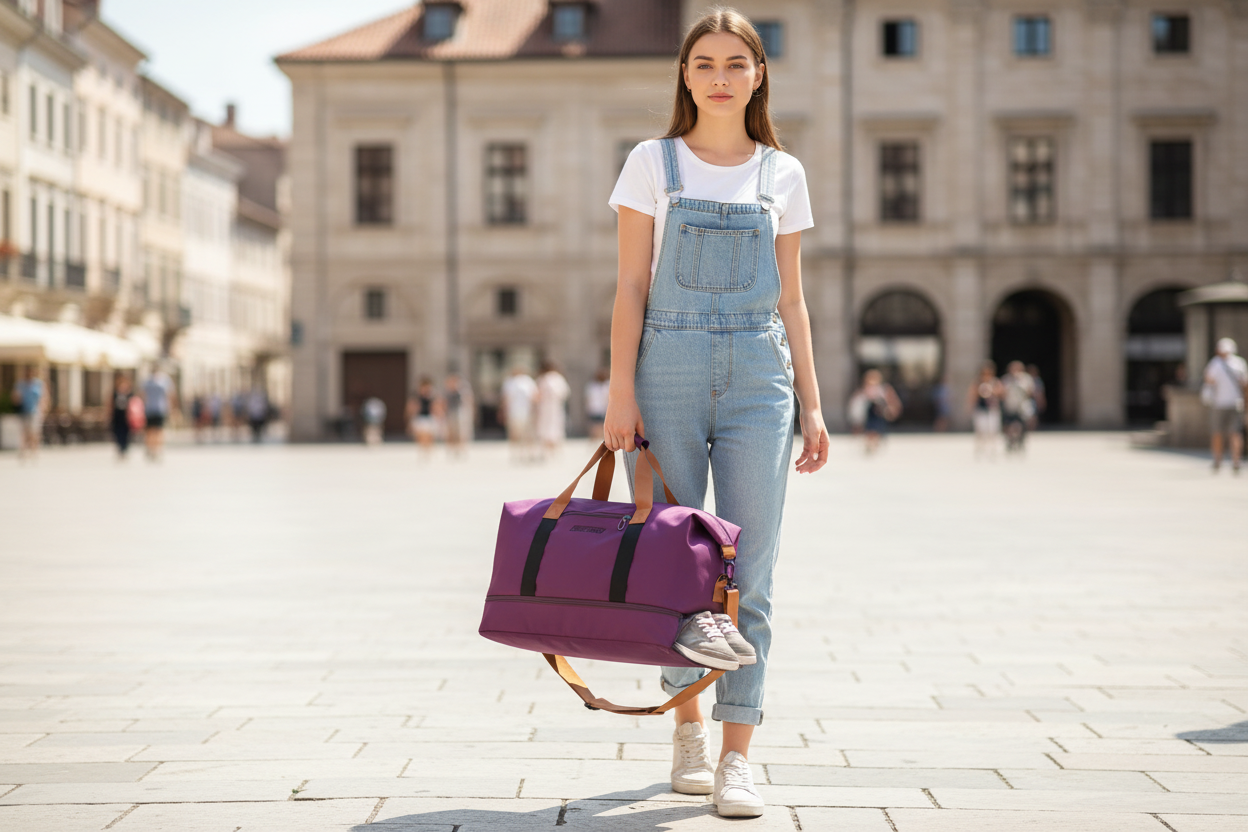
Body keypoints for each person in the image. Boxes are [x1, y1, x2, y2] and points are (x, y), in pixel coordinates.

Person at [604, 10, 827, 818]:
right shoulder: (651, 163)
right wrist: (619, 390)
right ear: (686, 76)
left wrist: (813, 404)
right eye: (705, 63)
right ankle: (688, 730)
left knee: (749, 574)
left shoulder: (783, 173)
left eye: (737, 63)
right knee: (676, 565)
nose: (721, 77)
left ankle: (738, 756)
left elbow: (793, 300)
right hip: (664, 368)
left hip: (761, 378)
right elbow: (631, 285)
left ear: (759, 75)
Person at [1203, 337, 1247, 473]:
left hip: (1219, 403)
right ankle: (1236, 461)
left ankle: (1218, 460)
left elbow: (1208, 380)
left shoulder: (1215, 363)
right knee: (1235, 433)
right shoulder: (1240, 363)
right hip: (1236, 402)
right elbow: (1245, 385)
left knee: (1218, 433)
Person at [854, 369, 901, 455]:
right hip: (870, 412)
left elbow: (891, 400)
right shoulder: (865, 389)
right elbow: (858, 402)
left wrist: (891, 409)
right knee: (870, 429)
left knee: (877, 428)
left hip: (878, 413)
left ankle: (874, 443)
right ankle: (870, 443)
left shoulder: (882, 389)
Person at [500, 367, 537, 463]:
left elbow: (534, 396)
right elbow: (506, 399)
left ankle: (527, 453)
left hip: (525, 412)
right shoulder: (510, 382)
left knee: (526, 435)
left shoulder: (527, 381)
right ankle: (517, 453)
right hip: (516, 412)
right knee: (516, 434)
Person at [11, 366, 48, 461]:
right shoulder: (20, 384)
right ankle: (23, 451)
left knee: (34, 432)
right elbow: (15, 398)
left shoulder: (38, 384)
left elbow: (44, 397)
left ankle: (34, 450)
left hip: (35, 411)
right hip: (23, 411)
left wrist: (43, 410)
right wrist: (17, 399)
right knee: (24, 432)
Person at [535, 361, 571, 458]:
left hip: (546, 408)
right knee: (555, 426)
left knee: (546, 427)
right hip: (555, 407)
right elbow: (565, 393)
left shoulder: (543, 379)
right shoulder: (558, 378)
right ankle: (554, 450)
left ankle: (547, 450)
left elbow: (538, 394)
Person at [968, 361, 1003, 459]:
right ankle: (980, 449)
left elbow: (1002, 393)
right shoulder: (977, 382)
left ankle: (992, 450)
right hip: (981, 409)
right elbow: (972, 395)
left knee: (992, 431)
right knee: (981, 431)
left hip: (992, 409)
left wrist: (992, 390)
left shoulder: (995, 382)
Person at [1000, 360, 1036, 454]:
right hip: (1010, 405)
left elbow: (1030, 392)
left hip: (1022, 406)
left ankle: (1021, 441)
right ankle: (1010, 441)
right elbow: (1002, 392)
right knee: (1008, 425)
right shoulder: (1006, 379)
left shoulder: (1026, 379)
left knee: (1022, 425)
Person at [141, 367, 176, 461]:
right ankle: (156, 449)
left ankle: (152, 448)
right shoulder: (164, 380)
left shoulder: (147, 381)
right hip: (159, 409)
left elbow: (142, 395)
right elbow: (170, 394)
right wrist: (172, 408)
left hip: (151, 408)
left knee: (151, 430)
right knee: (157, 430)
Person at [405, 377, 442, 455]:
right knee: (421, 436)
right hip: (420, 418)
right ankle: (422, 451)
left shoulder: (433, 397)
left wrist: (439, 419)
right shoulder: (416, 397)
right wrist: (409, 421)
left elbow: (437, 408)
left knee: (429, 437)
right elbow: (410, 409)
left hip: (430, 418)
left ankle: (428, 452)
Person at [442, 374, 472, 457]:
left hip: (459, 413)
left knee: (460, 432)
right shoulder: (448, 392)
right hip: (450, 413)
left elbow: (466, 401)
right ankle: (451, 448)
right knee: (451, 432)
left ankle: (460, 448)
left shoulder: (461, 392)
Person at [111, 374, 135, 459]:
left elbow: (134, 405)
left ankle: (125, 448)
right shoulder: (115, 393)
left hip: (127, 417)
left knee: (126, 433)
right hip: (117, 416)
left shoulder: (130, 394)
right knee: (117, 432)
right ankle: (120, 448)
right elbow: (110, 404)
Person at [585, 368, 611, 442]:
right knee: (597, 425)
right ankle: (596, 438)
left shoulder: (593, 386)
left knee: (596, 425)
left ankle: (596, 438)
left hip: (597, 408)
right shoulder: (595, 386)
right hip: (597, 408)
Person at [1026, 364, 1047, 429]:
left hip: (1035, 400)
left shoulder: (1038, 381)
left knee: (1034, 415)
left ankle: (1033, 428)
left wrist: (1042, 401)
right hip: (1027, 400)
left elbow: (1040, 392)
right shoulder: (1025, 379)